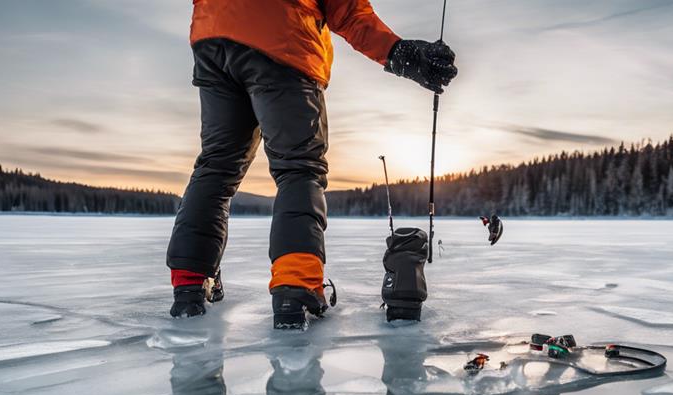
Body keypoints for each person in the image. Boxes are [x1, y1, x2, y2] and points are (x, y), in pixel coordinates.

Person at [167, 0, 459, 328]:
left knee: (216, 166)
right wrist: (398, 51)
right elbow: (347, 10)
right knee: (299, 167)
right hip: (282, 36)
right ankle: (296, 285)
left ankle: (190, 281)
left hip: (212, 38)